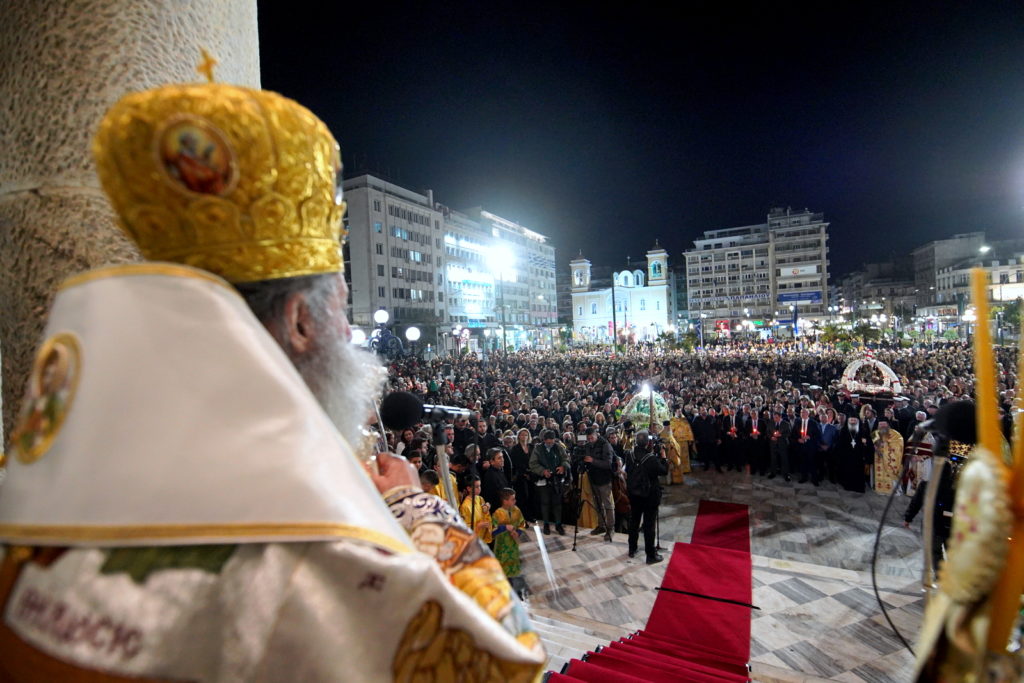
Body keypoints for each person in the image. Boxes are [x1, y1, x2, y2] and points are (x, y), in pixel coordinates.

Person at [0, 77, 544, 681]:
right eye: (341, 305)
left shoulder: (45, 478)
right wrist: (415, 506)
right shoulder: (316, 547)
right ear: (300, 321)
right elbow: (505, 656)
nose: (351, 333)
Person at [625, 430, 668, 565]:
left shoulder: (629, 455)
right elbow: (663, 471)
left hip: (634, 493)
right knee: (649, 525)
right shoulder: (651, 459)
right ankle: (650, 555)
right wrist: (663, 456)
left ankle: (632, 548)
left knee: (634, 521)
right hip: (649, 495)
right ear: (648, 443)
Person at [529, 430, 569, 535]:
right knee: (545, 503)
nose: (550, 444)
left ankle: (558, 524)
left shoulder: (559, 447)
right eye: (548, 443)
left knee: (557, 504)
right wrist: (542, 471)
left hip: (557, 480)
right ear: (544, 440)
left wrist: (563, 467)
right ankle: (546, 524)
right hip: (543, 480)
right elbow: (533, 464)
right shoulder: (538, 448)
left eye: (552, 442)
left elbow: (566, 459)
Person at [581, 427, 616, 542]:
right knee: (597, 504)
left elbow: (608, 464)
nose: (590, 440)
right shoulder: (588, 445)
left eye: (592, 438)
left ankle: (610, 528)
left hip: (604, 479)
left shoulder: (605, 445)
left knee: (607, 504)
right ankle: (601, 526)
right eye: (588, 438)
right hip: (593, 478)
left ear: (596, 435)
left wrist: (593, 461)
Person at [492, 488, 527, 580]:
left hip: (513, 544)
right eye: (512, 499)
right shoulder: (498, 513)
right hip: (502, 545)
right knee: (502, 567)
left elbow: (522, 523)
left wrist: (518, 532)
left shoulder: (516, 510)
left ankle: (511, 579)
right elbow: (492, 529)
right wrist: (504, 528)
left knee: (512, 565)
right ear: (505, 501)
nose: (515, 501)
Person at [872, 419, 904, 494]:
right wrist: (875, 447)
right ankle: (880, 489)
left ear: (888, 425)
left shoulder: (895, 433)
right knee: (879, 472)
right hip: (878, 457)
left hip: (890, 458)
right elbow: (872, 444)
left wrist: (886, 445)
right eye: (880, 424)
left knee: (889, 472)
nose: (882, 426)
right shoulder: (874, 433)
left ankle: (893, 490)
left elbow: (899, 444)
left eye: (884, 424)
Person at [460, 476, 493, 545]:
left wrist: (486, 510)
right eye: (476, 487)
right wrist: (478, 526)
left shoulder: (480, 499)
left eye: (480, 486)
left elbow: (486, 515)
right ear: (469, 488)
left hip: (482, 537)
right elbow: (464, 528)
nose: (479, 489)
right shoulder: (465, 506)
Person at [481, 447, 511, 512]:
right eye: (499, 458)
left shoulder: (500, 471)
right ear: (492, 462)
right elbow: (492, 496)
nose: (502, 459)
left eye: (502, 457)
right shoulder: (490, 475)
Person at [768, 411, 792, 481]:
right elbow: (768, 432)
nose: (775, 419)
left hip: (782, 444)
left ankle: (786, 474)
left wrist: (781, 435)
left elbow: (789, 433)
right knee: (773, 459)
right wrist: (771, 437)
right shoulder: (771, 423)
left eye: (776, 417)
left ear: (780, 417)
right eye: (774, 417)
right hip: (773, 444)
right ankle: (773, 472)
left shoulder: (786, 424)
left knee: (784, 459)